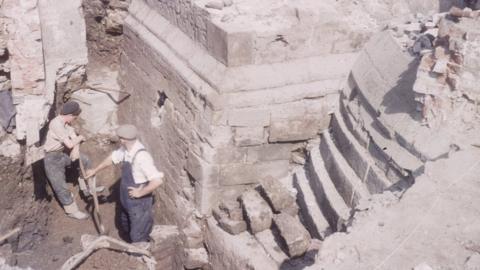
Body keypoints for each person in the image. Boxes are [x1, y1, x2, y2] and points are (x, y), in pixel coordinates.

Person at [86, 124, 164, 244]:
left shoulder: (142, 157)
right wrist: (95, 170)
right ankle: (129, 243)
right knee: (125, 224)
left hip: (139, 203)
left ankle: (140, 254)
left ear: (123, 140)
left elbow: (157, 180)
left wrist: (140, 193)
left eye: (119, 137)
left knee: (138, 235)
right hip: (126, 198)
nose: (118, 140)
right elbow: (112, 158)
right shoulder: (126, 150)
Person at [43, 101, 104, 220]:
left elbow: (73, 137)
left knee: (85, 160)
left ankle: (88, 189)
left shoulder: (65, 123)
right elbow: (70, 143)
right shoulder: (56, 124)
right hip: (51, 159)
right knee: (60, 186)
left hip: (61, 154)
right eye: (74, 117)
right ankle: (72, 211)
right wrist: (80, 139)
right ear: (70, 115)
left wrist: (76, 149)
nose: (74, 120)